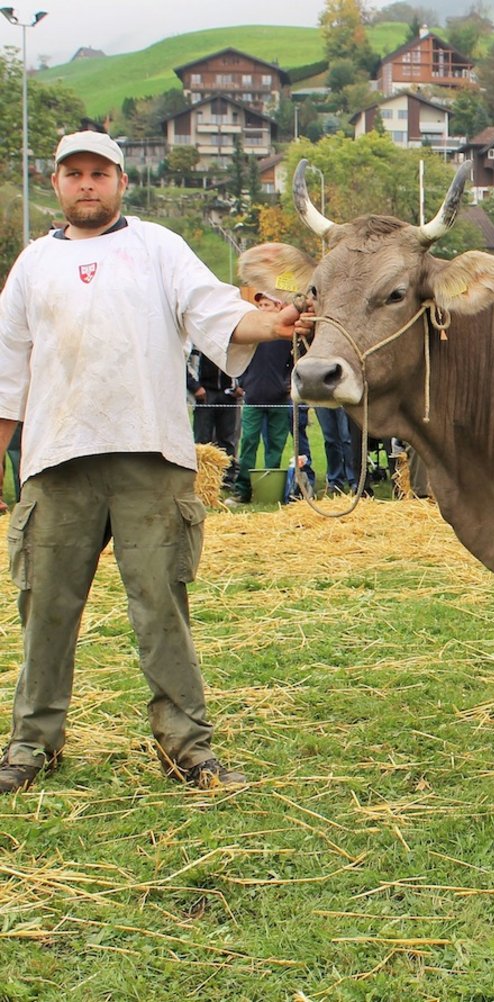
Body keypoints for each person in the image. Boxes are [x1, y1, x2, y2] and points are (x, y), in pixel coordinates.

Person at [0, 130, 302, 793]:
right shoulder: (31, 265)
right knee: (44, 607)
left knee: (161, 608)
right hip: (56, 459)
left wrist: (272, 324)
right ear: (54, 182)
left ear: (121, 181)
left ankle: (187, 747)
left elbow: (216, 313)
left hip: (151, 455)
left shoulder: (159, 248)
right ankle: (31, 745)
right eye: (74, 173)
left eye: (99, 173)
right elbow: (7, 371)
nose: (87, 184)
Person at [231, 292, 296, 504]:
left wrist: (288, 382)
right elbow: (238, 358)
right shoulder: (252, 335)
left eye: (267, 304)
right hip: (253, 399)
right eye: (259, 305)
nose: (262, 308)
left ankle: (270, 490)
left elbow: (295, 361)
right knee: (248, 443)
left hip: (279, 399)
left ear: (278, 307)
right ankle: (243, 489)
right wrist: (242, 382)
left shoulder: (286, 336)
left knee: (275, 447)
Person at [187, 347, 242, 491]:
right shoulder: (196, 341)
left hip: (229, 394)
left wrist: (239, 385)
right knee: (202, 440)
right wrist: (194, 386)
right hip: (204, 393)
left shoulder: (231, 338)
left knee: (228, 440)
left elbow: (242, 361)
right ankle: (201, 481)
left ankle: (227, 481)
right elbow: (184, 363)